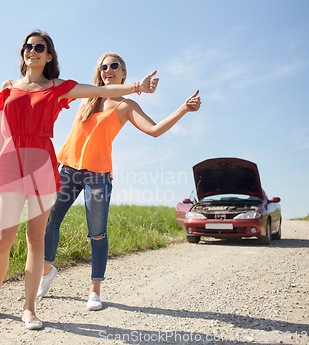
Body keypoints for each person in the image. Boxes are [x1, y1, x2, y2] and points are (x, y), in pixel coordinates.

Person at [0, 32, 159, 330]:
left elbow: (95, 89)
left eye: (39, 47)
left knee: (36, 239)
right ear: (23, 53)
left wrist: (136, 87)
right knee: (3, 238)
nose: (32, 50)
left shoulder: (58, 88)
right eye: (27, 47)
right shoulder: (8, 87)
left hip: (42, 164)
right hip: (10, 163)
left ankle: (29, 309)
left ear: (49, 56)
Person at [37, 52, 201, 311]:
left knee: (97, 233)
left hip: (97, 177)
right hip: (67, 169)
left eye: (114, 66)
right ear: (99, 72)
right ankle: (46, 271)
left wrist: (183, 108)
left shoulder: (127, 106)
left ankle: (94, 290)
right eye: (104, 67)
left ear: (123, 73)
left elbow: (155, 130)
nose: (108, 70)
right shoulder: (87, 97)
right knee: (49, 221)